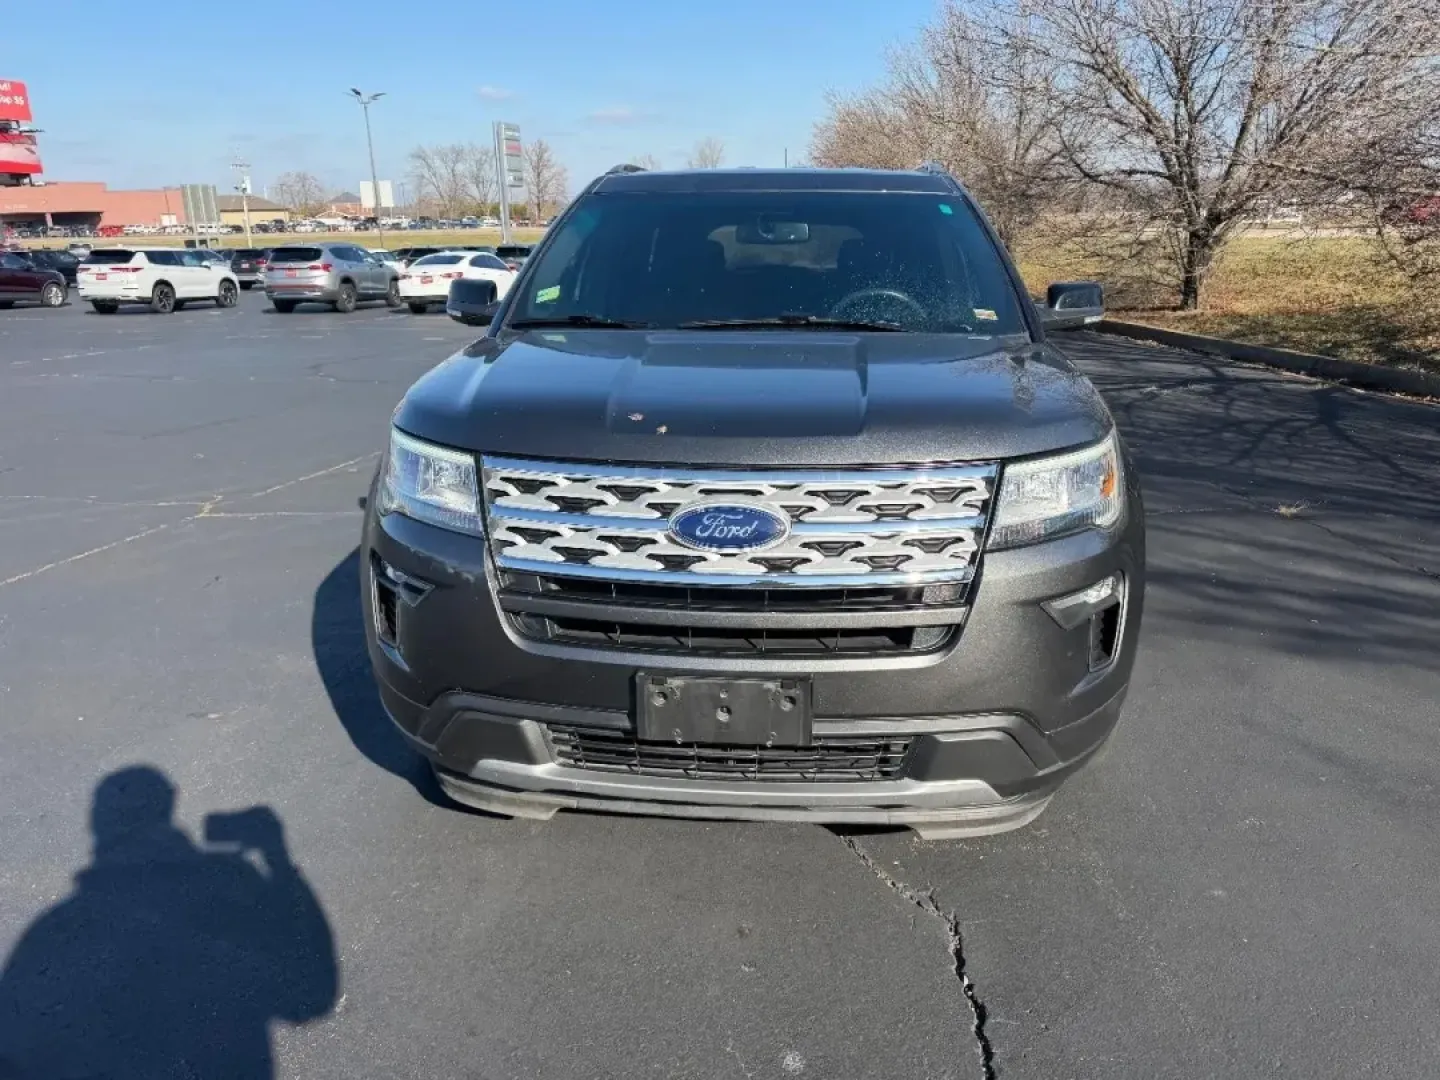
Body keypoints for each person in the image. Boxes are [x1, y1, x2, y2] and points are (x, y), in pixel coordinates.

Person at [0, 766, 337, 1079]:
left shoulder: (56, 932)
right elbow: (311, 994)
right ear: (169, 807)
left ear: (97, 825)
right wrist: (278, 861)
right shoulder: (230, 888)